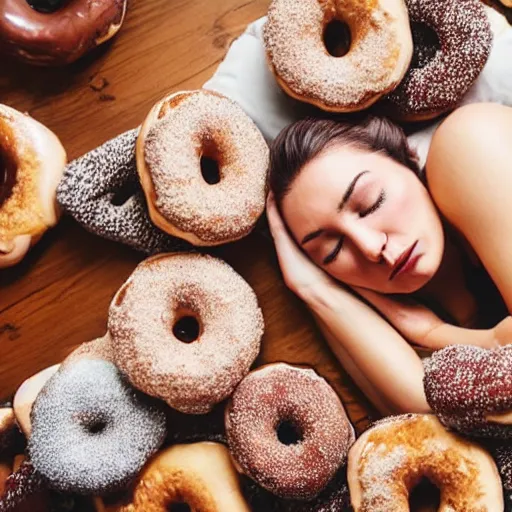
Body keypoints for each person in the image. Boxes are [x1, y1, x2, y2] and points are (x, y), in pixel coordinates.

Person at [266, 102, 512, 415]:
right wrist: (316, 290)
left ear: (405, 157)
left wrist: (439, 335)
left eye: (371, 202)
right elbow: (427, 421)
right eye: (332, 250)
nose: (370, 247)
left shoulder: (471, 142)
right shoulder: (379, 331)